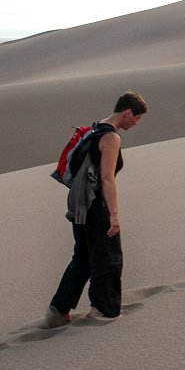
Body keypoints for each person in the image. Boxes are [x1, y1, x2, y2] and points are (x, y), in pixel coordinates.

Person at [45, 90, 148, 326]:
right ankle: (103, 310)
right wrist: (114, 215)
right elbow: (106, 178)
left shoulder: (95, 128)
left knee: (82, 257)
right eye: (138, 118)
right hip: (95, 206)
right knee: (109, 258)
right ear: (128, 112)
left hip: (79, 203)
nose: (136, 123)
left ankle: (58, 310)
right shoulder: (111, 137)